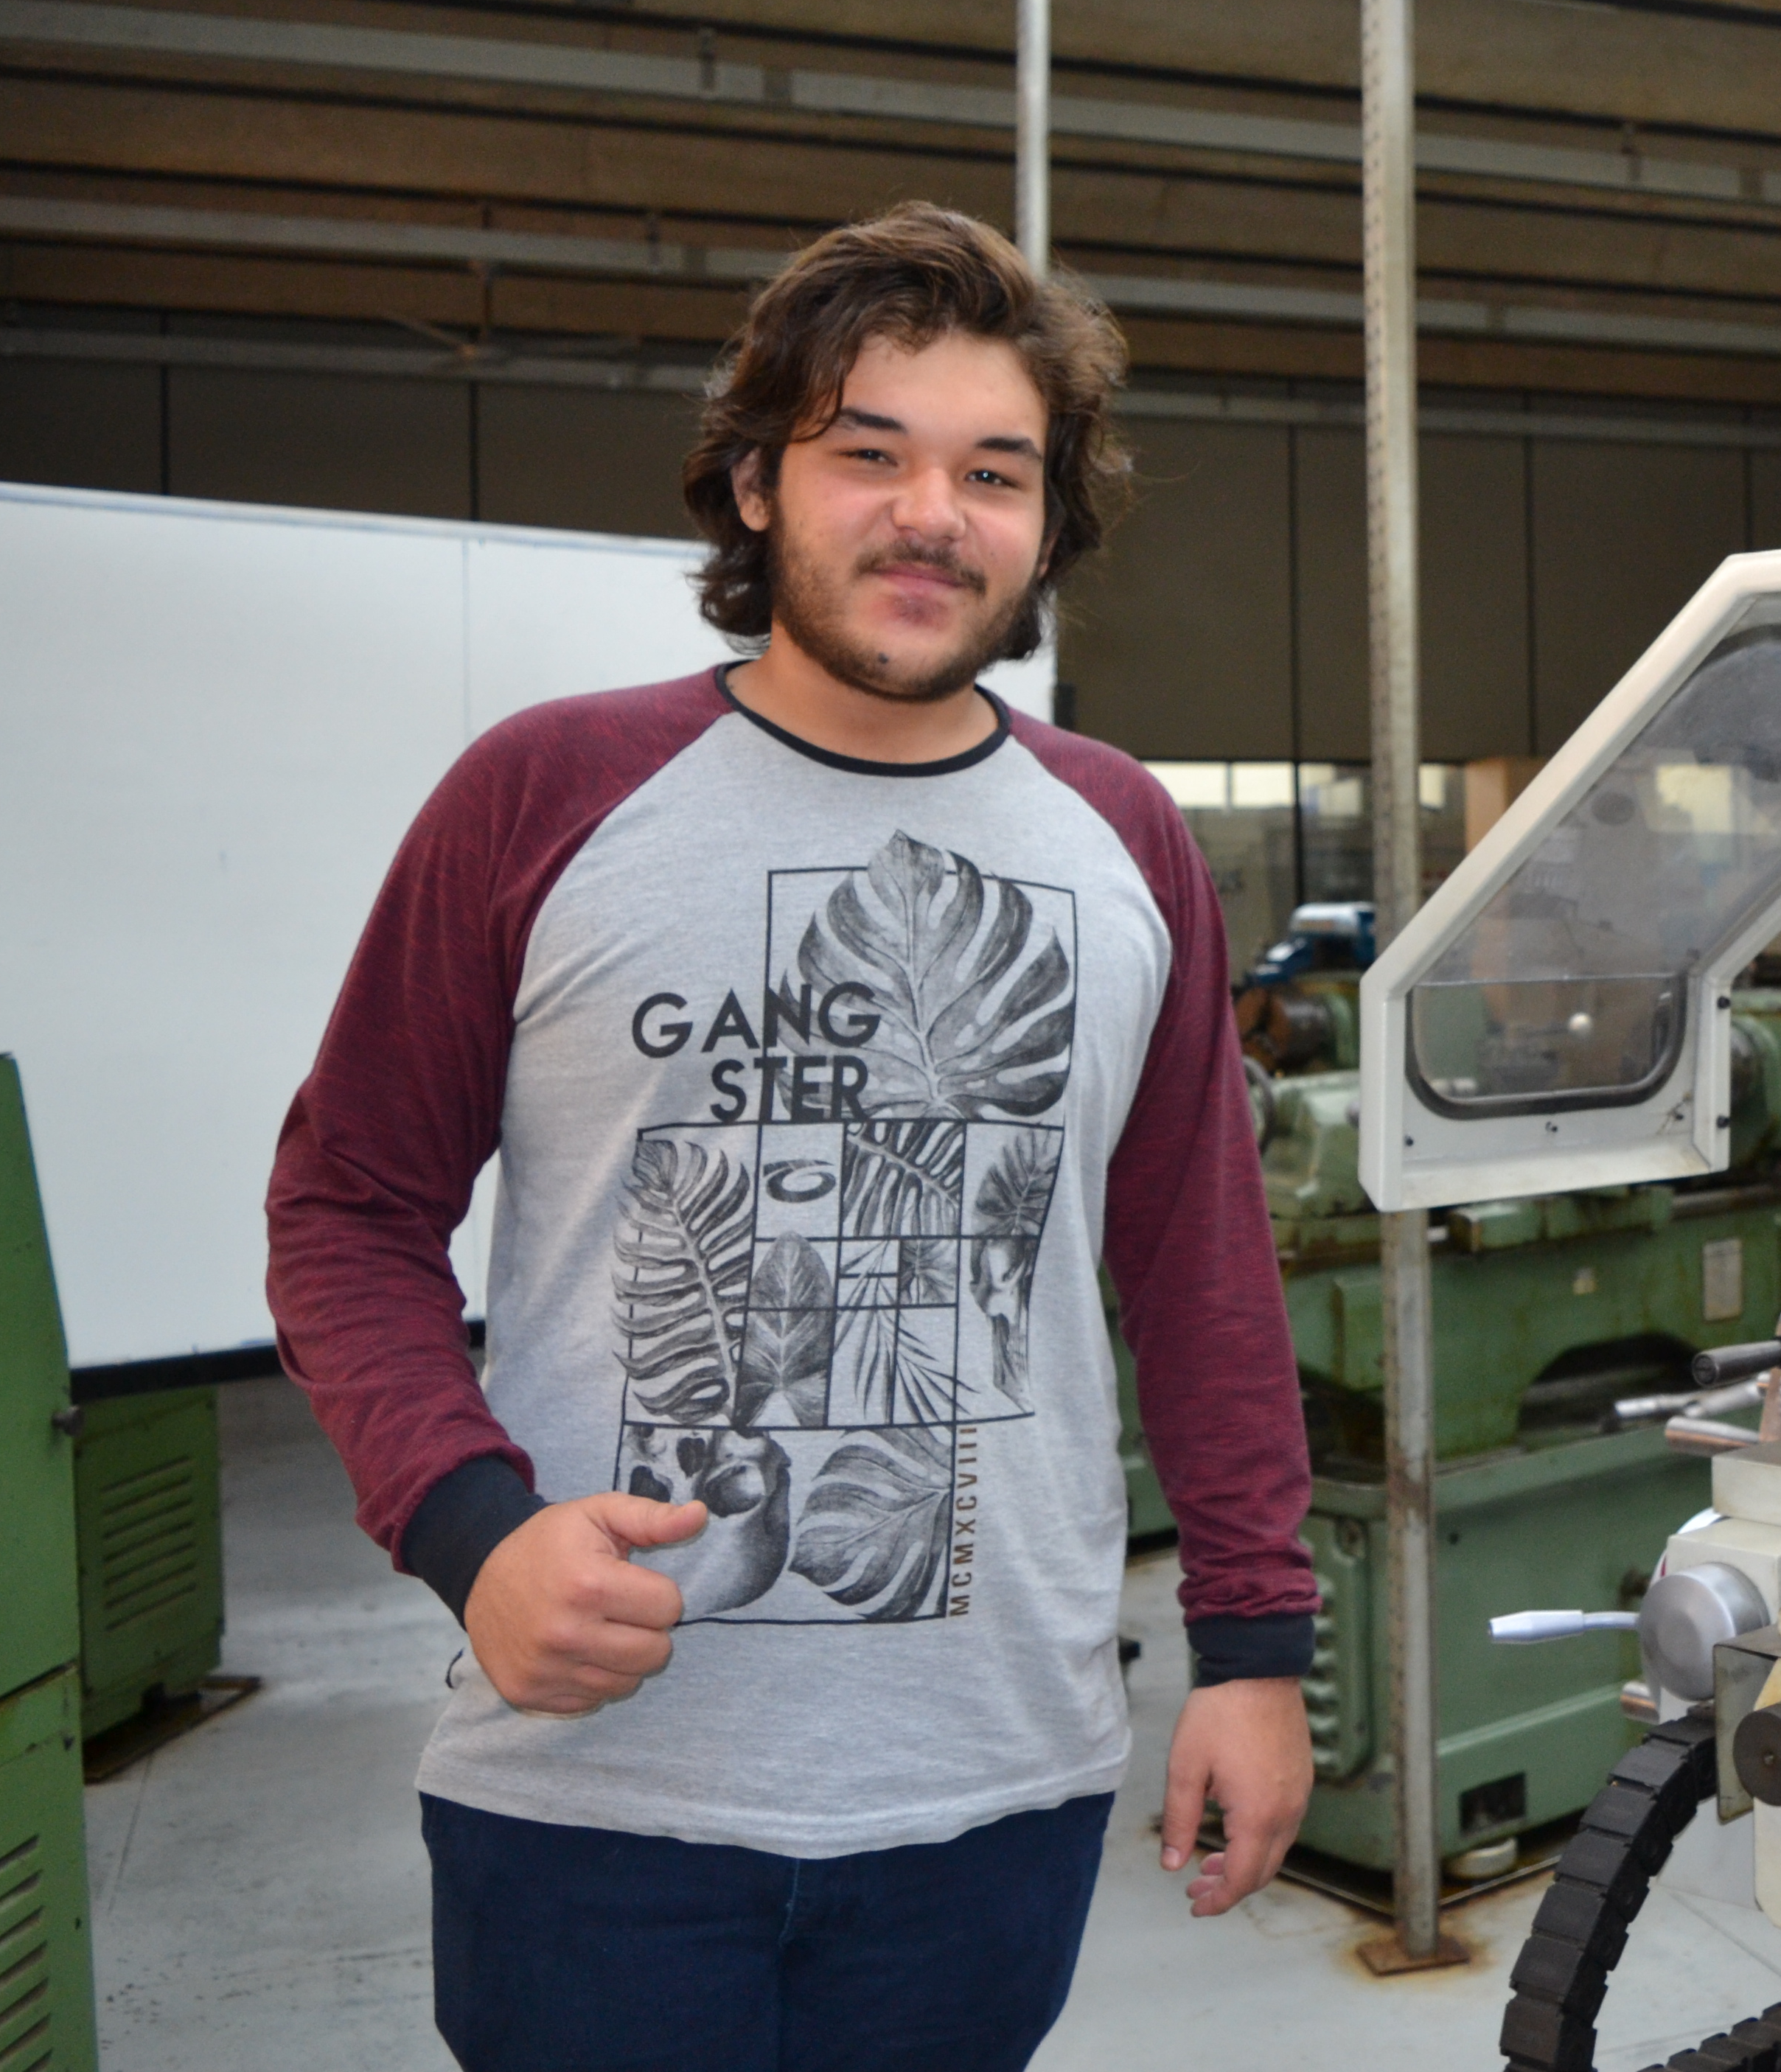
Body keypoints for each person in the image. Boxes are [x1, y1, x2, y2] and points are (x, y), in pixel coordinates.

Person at [268, 201, 1316, 2072]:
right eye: (868, 454)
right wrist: (473, 1533)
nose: (933, 513)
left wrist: (1252, 1657)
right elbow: (346, 1208)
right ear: (755, 486)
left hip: (995, 1787)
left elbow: (1202, 1273)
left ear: (1047, 523)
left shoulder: (1124, 837)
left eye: (995, 469)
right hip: (596, 1792)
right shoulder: (548, 791)